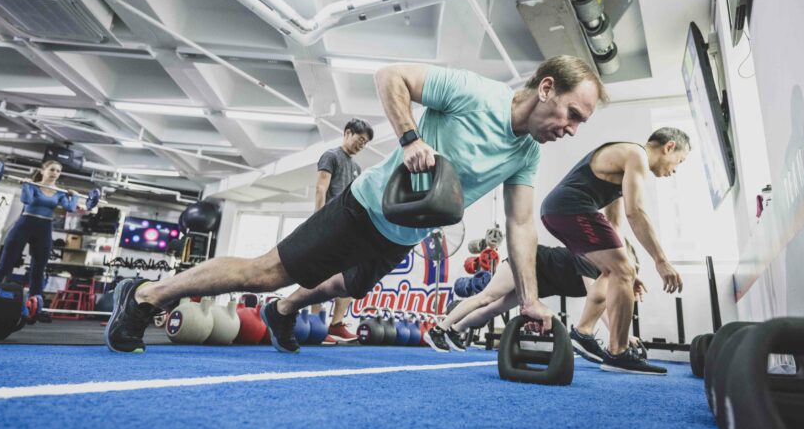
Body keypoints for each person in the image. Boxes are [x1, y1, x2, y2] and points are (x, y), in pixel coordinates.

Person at [104, 55, 606, 353]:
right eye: (573, 114)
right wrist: (410, 138)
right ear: (546, 88)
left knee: (350, 283)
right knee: (264, 272)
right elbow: (391, 76)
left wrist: (531, 298)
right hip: (363, 209)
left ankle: (283, 312)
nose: (572, 129)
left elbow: (520, 225)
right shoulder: (476, 94)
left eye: (581, 123)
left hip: (404, 232)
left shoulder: (525, 154)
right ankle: (147, 295)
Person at [537, 128, 690, 375]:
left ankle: (584, 332)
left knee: (615, 272)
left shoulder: (624, 163)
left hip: (558, 211)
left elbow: (615, 222)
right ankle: (616, 351)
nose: (674, 171)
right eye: (679, 162)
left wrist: (625, 269)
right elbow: (636, 212)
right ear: (669, 147)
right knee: (621, 271)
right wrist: (661, 261)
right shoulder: (636, 155)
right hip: (569, 207)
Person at [424, 242, 647, 362]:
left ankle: (455, 329)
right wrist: (622, 336)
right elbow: (598, 302)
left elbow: (606, 305)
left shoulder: (603, 278)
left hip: (536, 283)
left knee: (494, 308)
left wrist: (624, 335)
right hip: (526, 261)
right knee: (487, 297)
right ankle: (438, 329)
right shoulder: (590, 260)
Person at [310, 118, 373, 345]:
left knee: (350, 278)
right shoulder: (331, 156)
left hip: (348, 229)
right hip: (328, 225)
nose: (361, 145)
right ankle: (315, 326)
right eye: (360, 139)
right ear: (347, 133)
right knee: (322, 276)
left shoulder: (356, 167)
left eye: (365, 143)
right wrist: (318, 221)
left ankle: (336, 325)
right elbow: (320, 188)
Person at [0, 160, 79, 319]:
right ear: (43, 170)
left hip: (44, 227)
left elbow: (70, 208)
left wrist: (75, 196)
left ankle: (35, 307)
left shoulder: (59, 192)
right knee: (5, 265)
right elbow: (27, 200)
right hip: (25, 224)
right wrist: (26, 185)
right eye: (52, 169)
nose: (55, 173)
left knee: (38, 269)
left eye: (58, 171)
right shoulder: (33, 186)